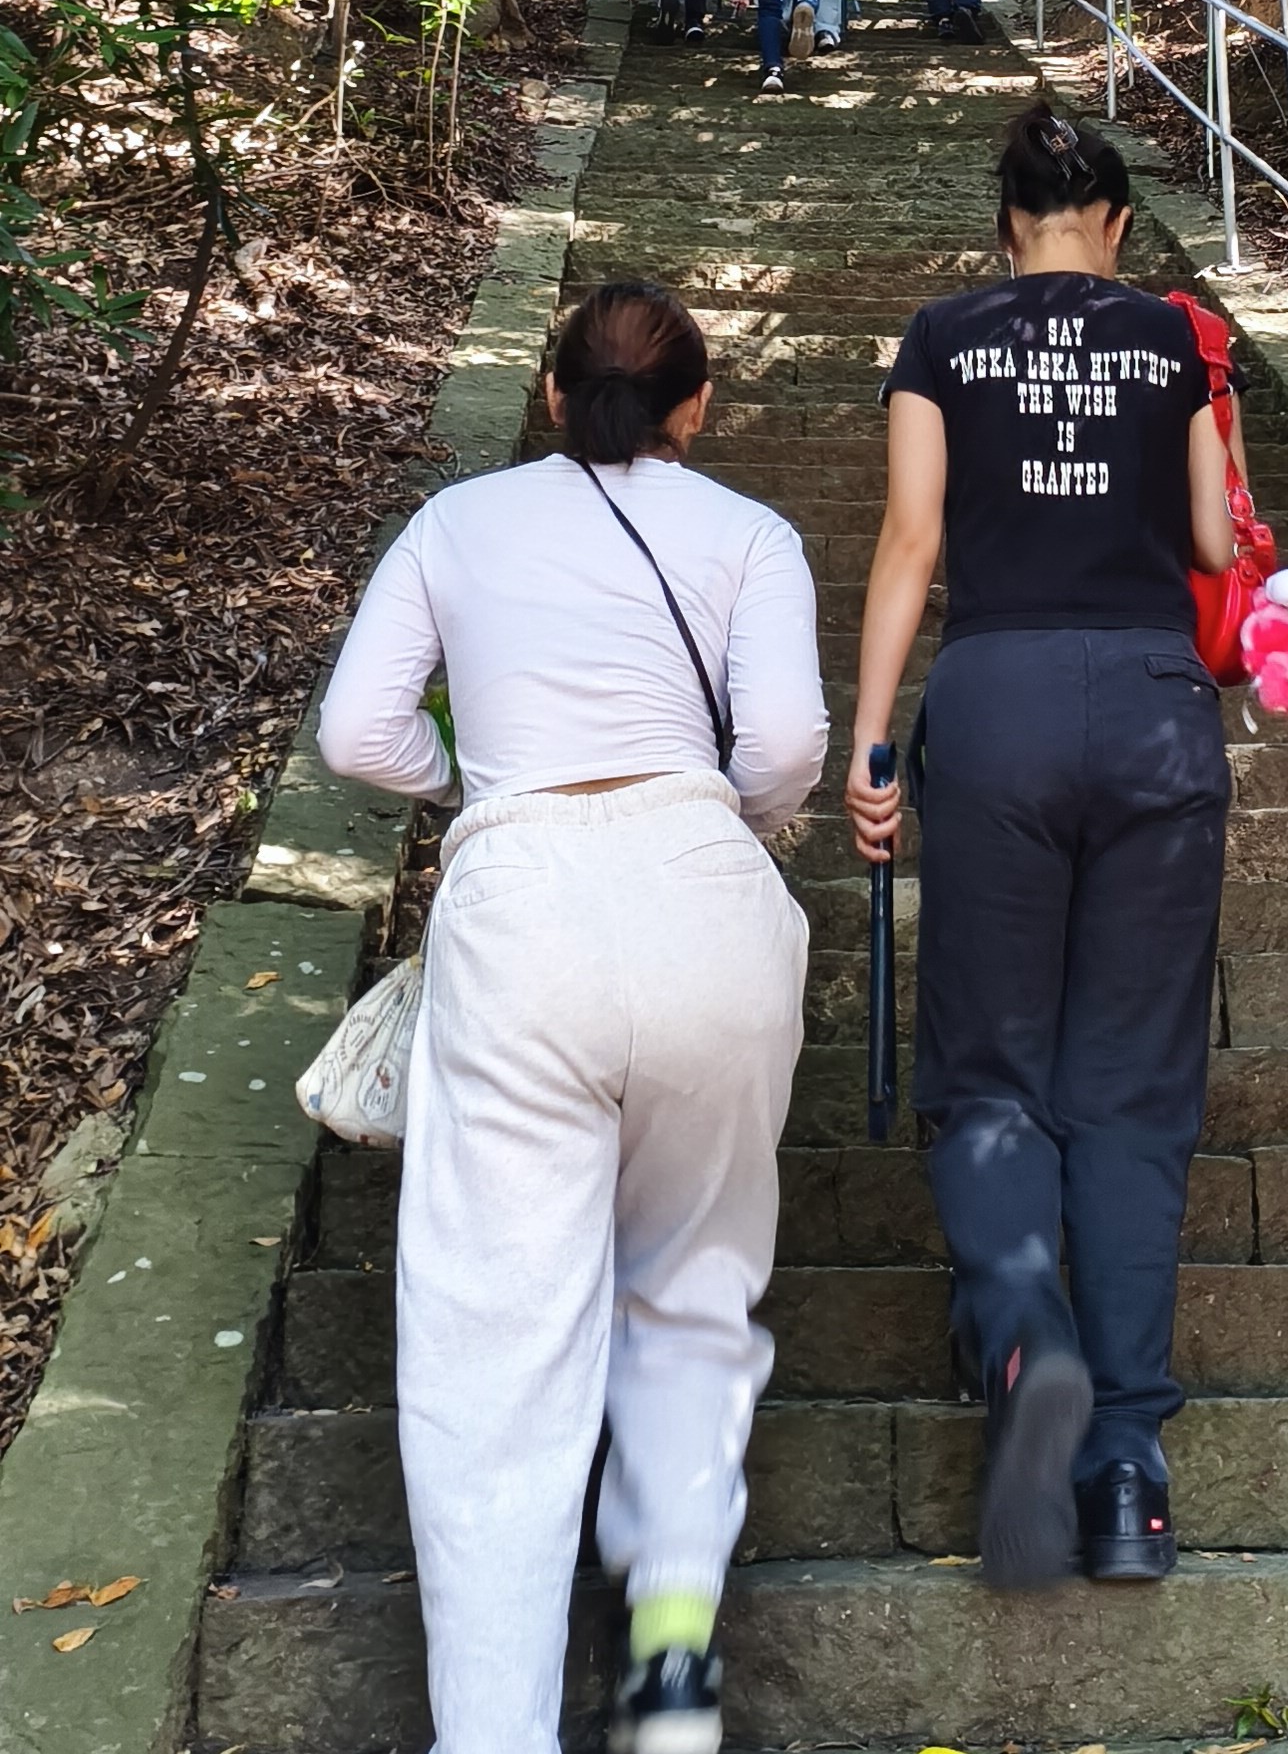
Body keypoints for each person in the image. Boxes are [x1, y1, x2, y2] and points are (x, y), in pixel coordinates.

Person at [318, 280, 827, 1754]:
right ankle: (670, 1648)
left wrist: (470, 781)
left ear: (549, 396)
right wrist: (736, 812)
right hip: (706, 891)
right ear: (696, 408)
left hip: (522, 905)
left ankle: (497, 1732)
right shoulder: (750, 535)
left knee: (498, 1346)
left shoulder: (456, 527)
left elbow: (357, 733)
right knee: (692, 1280)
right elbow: (787, 742)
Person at [846, 107, 1236, 1593]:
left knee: (991, 1072)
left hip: (998, 700)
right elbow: (1210, 541)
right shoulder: (1172, 340)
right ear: (1118, 223)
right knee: (1133, 1092)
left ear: (1006, 223)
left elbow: (908, 542)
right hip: (1150, 705)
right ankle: (1130, 1472)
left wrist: (875, 743)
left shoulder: (945, 334)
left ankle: (1028, 1347)